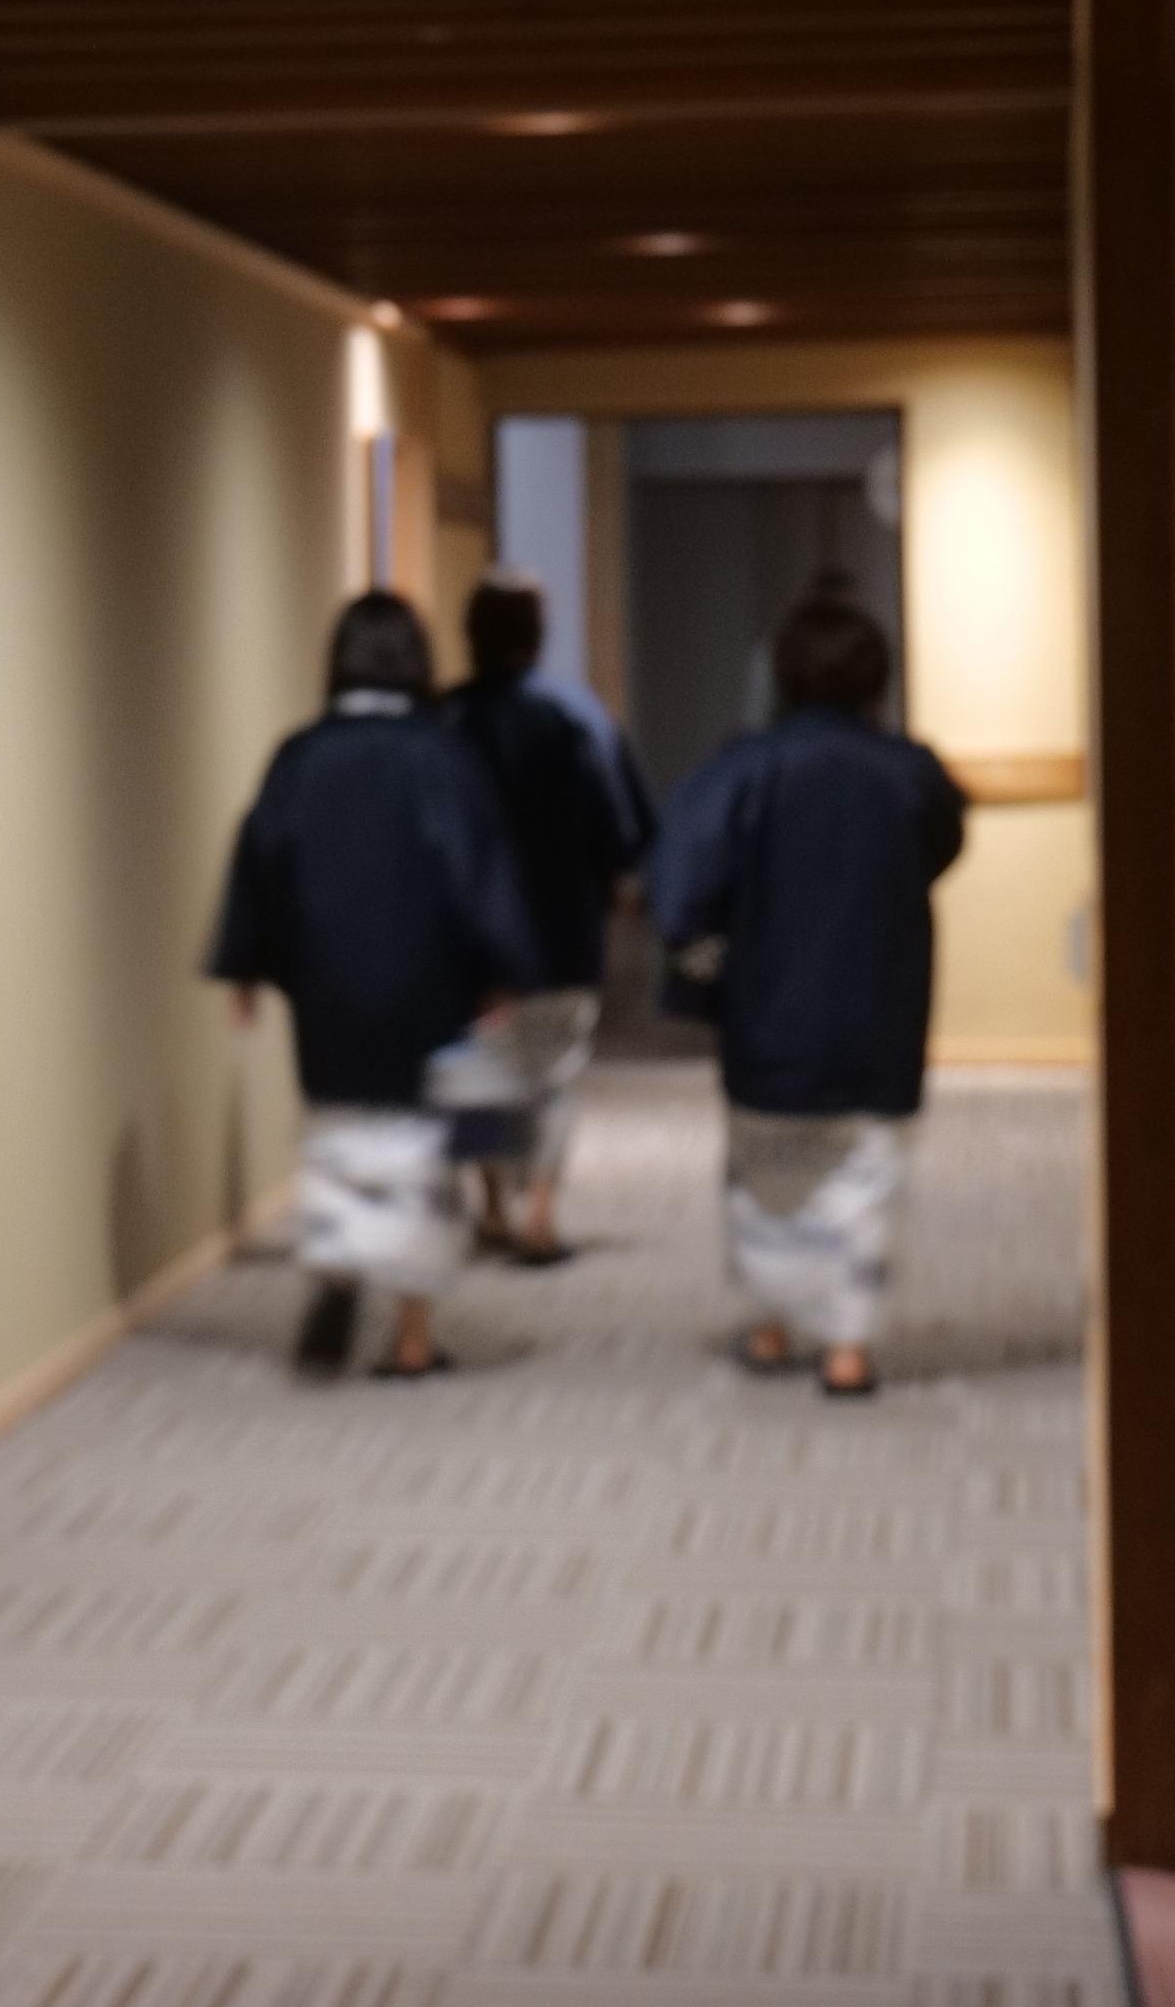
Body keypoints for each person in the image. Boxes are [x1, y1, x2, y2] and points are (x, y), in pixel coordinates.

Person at [208, 591, 540, 1378]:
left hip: (328, 980)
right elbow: (477, 870)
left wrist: (243, 963)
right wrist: (502, 969)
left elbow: (259, 859)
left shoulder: (299, 756)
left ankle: (335, 1265)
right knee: (422, 1151)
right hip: (425, 981)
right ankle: (412, 1339)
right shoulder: (442, 755)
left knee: (338, 1127)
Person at [647, 581, 963, 1398]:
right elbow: (940, 844)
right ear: (878, 684)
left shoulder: (743, 769)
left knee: (770, 1177)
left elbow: (678, 882)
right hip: (880, 1008)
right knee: (866, 1178)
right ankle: (847, 1347)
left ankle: (774, 1323)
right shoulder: (911, 772)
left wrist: (702, 946)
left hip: (769, 1011)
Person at [437, 570, 652, 1265]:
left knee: (480, 1071)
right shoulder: (575, 713)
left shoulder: (441, 721)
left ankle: (493, 1206)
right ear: (538, 634)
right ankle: (540, 1210)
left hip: (466, 938)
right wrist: (620, 879)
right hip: (560, 929)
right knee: (551, 1073)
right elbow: (620, 823)